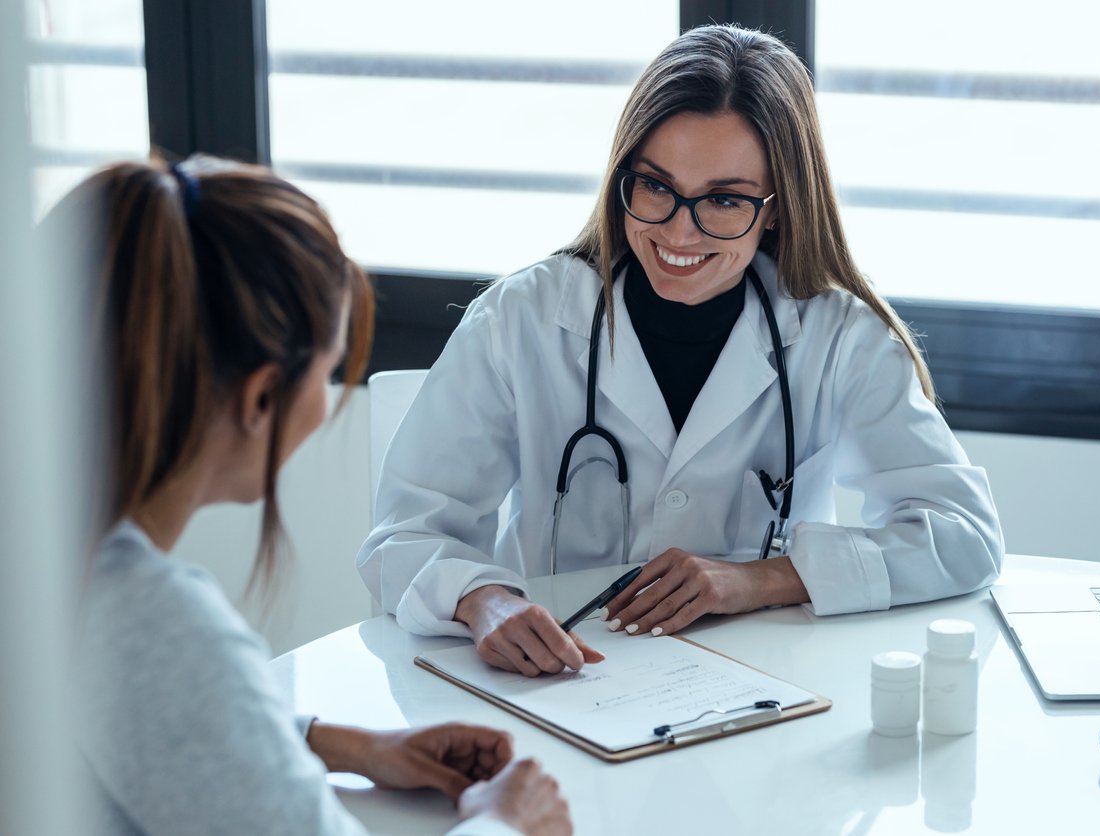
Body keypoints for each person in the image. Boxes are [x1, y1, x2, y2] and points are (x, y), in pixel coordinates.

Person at [359, 24, 1003, 677]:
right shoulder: (521, 321)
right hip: (563, 681)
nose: (678, 230)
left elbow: (965, 537)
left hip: (763, 690)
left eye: (724, 199)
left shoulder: (840, 340)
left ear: (778, 207)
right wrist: (480, 599)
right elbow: (404, 537)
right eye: (656, 187)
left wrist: (758, 580)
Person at [65, 156, 571, 835]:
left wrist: (336, 743)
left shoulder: (62, 561)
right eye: (331, 369)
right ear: (261, 397)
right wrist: (507, 822)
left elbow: (145, 722)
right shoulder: (153, 620)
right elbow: (163, 685)